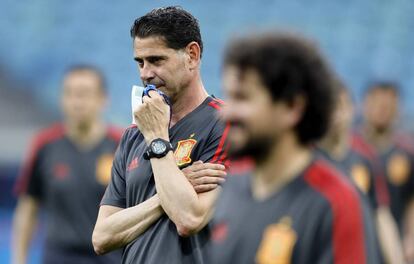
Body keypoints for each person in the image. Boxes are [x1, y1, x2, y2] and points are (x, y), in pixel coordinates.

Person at [209, 32, 381, 263]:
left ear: (292, 107)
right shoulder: (231, 187)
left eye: (242, 98)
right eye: (228, 96)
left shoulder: (336, 202)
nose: (225, 112)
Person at [92, 6, 229, 264]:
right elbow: (102, 237)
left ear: (192, 55)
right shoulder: (133, 135)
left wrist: (157, 139)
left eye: (156, 60)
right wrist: (161, 199)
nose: (145, 73)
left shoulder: (225, 124)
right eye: (140, 62)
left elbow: (190, 218)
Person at [12, 65, 123, 264]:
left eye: (84, 94)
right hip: (59, 257)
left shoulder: (121, 145)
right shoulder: (45, 145)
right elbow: (27, 209)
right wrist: (19, 259)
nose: (77, 102)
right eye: (70, 94)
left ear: (103, 99)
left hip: (110, 257)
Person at [317, 82, 404, 263]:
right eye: (330, 108)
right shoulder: (309, 160)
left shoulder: (366, 157)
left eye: (341, 107)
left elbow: (381, 214)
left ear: (352, 109)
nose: (337, 116)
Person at [355, 81, 414, 262]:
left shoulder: (407, 152)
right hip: (358, 241)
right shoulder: (350, 151)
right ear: (365, 105)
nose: (382, 111)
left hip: (394, 242)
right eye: (377, 105)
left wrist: (410, 238)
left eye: (388, 106)